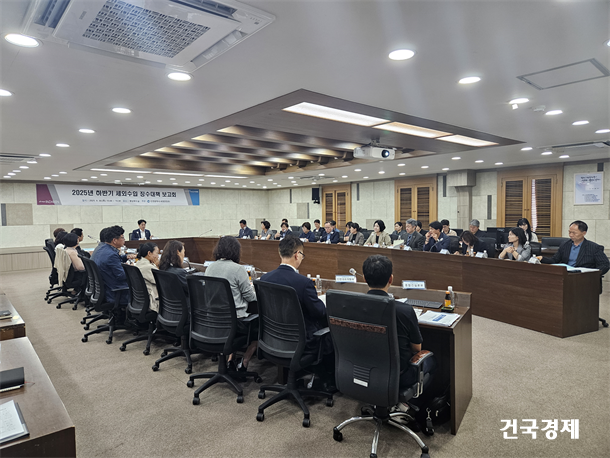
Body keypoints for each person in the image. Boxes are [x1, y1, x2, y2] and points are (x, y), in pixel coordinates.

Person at [362, 255, 434, 410]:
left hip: (362, 369)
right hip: (398, 375)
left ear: (364, 279)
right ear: (391, 279)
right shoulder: (404, 311)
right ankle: (408, 405)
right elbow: (417, 349)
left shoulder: (353, 306)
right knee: (431, 361)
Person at [259, 236, 333, 385]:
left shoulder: (265, 279)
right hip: (302, 343)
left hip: (273, 340)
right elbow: (319, 312)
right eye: (302, 255)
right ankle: (327, 381)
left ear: (280, 253)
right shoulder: (303, 283)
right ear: (297, 254)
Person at [205, 237, 258, 370]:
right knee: (260, 326)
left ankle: (230, 358)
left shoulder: (210, 268)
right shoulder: (238, 269)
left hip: (213, 321)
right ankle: (245, 360)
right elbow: (250, 297)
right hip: (236, 323)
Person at [539, 221, 609, 277]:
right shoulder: (565, 245)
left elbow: (605, 265)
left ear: (584, 233)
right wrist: (542, 258)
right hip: (566, 275)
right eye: (569, 232)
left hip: (584, 278)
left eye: (574, 233)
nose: (571, 235)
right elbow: (555, 260)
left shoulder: (594, 247)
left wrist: (593, 274)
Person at [93, 226, 132, 305]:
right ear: (114, 240)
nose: (124, 239)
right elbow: (122, 276)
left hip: (105, 287)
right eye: (122, 237)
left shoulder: (101, 248)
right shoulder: (111, 255)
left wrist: (125, 257)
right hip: (115, 291)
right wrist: (132, 269)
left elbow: (111, 262)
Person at [135, 242, 160, 312]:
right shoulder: (149, 267)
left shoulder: (139, 263)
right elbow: (162, 283)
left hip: (140, 301)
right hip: (152, 302)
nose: (158, 256)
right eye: (157, 253)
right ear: (149, 253)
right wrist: (156, 266)